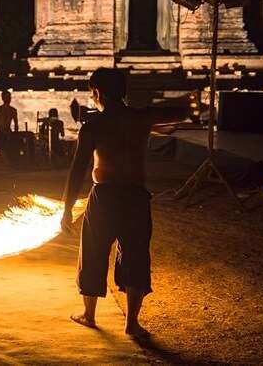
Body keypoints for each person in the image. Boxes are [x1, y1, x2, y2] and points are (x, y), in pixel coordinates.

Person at [61, 68, 188, 339]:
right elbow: (183, 111)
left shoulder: (94, 125)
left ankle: (89, 314)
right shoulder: (140, 119)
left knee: (93, 254)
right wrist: (148, 114)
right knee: (136, 256)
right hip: (135, 196)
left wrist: (67, 208)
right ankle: (132, 323)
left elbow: (78, 169)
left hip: (105, 196)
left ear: (97, 92)